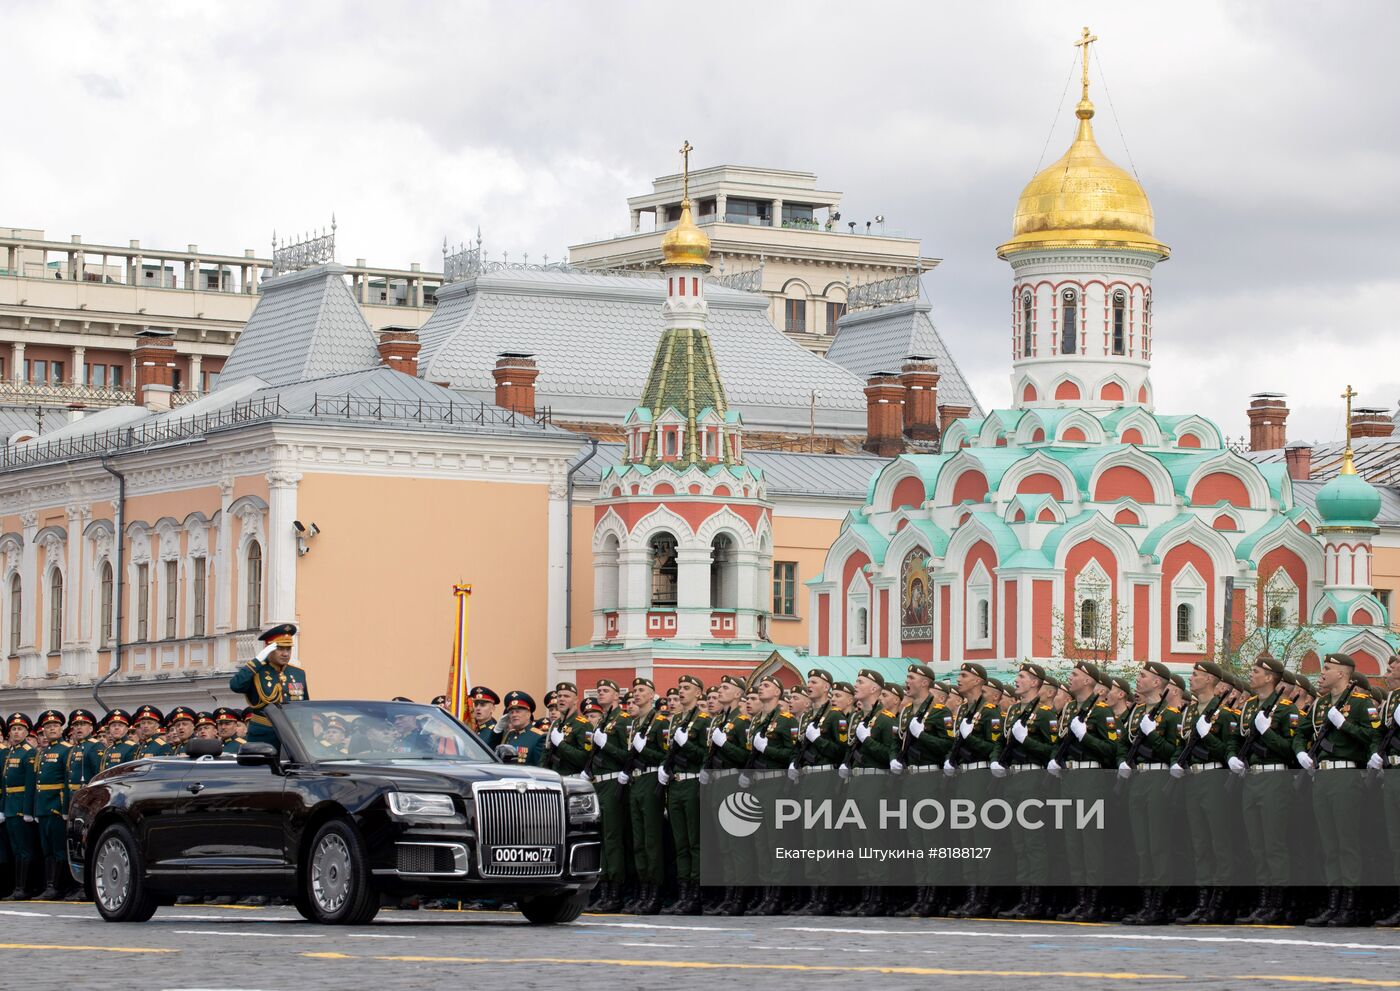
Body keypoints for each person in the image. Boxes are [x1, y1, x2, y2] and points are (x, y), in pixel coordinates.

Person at [1296, 652, 1376, 927]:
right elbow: (1301, 733)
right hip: (1323, 777)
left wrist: (1345, 725)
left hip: (1346, 776)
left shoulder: (1360, 702)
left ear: (1343, 673)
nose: (1323, 672)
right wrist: (1300, 754)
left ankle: (1351, 906)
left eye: (1327, 668)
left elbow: (1372, 737)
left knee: (1347, 843)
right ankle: (1334, 904)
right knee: (1329, 844)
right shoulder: (1319, 705)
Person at [1231, 653, 1298, 925]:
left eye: (1257, 671)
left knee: (1274, 844)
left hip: (1274, 779)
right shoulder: (1248, 707)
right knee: (1256, 844)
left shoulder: (1284, 708)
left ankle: (1277, 903)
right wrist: (1233, 756)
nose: (1252, 674)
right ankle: (1263, 902)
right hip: (1252, 779)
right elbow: (1236, 740)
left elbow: (1290, 750)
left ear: (1270, 677)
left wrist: (1267, 732)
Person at [1170, 660, 1238, 924]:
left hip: (1213, 777)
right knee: (1199, 843)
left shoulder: (1224, 713)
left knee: (1218, 841)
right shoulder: (1188, 713)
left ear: (1210, 680)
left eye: (1197, 675)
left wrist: (1208, 736)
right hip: (1192, 779)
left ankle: (1221, 903)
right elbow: (1181, 743)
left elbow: (1228, 750)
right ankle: (1202, 901)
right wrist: (1177, 762)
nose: (1192, 679)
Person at [1119, 661, 1183, 926]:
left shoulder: (1170, 715)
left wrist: (1153, 735)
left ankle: (1160, 904)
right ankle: (1146, 903)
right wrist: (1123, 759)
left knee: (1157, 844)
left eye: (1143, 676)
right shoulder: (1135, 714)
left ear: (1158, 683)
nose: (1139, 679)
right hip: (1138, 779)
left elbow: (1173, 753)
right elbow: (1123, 743)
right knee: (1141, 845)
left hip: (1158, 778)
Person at [660, 674, 709, 915]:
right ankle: (683, 894)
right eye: (679, 687)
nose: (681, 691)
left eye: (687, 687)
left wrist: (686, 743)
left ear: (698, 693)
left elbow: (704, 754)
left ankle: (696, 896)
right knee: (680, 843)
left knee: (694, 842)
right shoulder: (676, 720)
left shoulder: (703, 721)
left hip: (691, 783)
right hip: (676, 784)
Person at [621, 678, 669, 914]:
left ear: (652, 695)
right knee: (638, 841)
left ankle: (654, 893)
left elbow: (665, 756)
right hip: (636, 781)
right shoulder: (636, 723)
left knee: (651, 840)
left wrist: (644, 750)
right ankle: (643, 891)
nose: (636, 694)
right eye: (635, 690)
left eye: (641, 690)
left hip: (651, 780)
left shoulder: (659, 723)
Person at [587, 678, 632, 913]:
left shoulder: (623, 721)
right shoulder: (603, 720)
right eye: (599, 690)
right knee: (602, 839)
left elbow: (629, 754)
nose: (600, 693)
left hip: (614, 781)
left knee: (613, 839)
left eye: (605, 691)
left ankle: (614, 893)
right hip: (598, 783)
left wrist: (606, 746)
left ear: (617, 696)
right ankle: (602, 889)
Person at [229, 623, 308, 747]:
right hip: (263, 733)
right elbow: (236, 685)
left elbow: (305, 708)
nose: (285, 654)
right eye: (280, 649)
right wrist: (257, 660)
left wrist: (309, 737)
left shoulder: (298, 673)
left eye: (288, 649)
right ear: (268, 650)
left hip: (292, 734)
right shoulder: (256, 671)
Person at [29, 711, 70, 900]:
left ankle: (58, 886)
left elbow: (68, 780)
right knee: (47, 850)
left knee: (59, 849)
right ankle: (49, 885)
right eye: (47, 726)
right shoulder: (43, 752)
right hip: (43, 806)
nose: (51, 728)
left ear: (61, 728)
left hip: (56, 805)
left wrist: (63, 807)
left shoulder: (66, 749)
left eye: (55, 725)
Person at [2, 713, 38, 900]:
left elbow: (30, 784)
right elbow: (5, 784)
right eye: (13, 729)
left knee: (25, 850)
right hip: (10, 805)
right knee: (16, 849)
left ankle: (25, 887)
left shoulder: (29, 752)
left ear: (26, 732)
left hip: (20, 806)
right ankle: (17, 887)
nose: (16, 732)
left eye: (20, 729)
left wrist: (27, 810)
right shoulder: (11, 753)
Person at [497, 691, 545, 766]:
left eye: (518, 711)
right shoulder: (509, 734)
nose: (514, 715)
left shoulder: (539, 737)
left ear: (528, 714)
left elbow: (540, 768)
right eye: (511, 712)